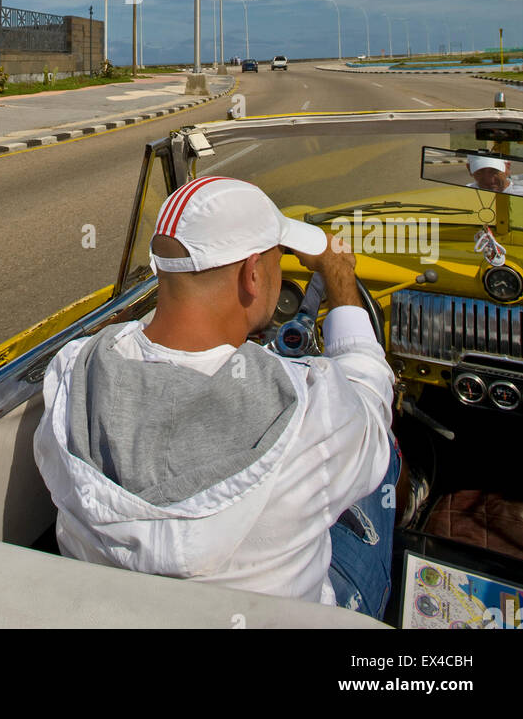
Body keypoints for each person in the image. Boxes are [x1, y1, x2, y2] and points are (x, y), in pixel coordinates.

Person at [33, 176, 405, 617]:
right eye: (278, 259)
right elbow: (371, 397)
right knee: (384, 458)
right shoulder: (310, 404)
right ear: (252, 275)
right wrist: (340, 279)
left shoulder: (74, 367)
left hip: (117, 612)